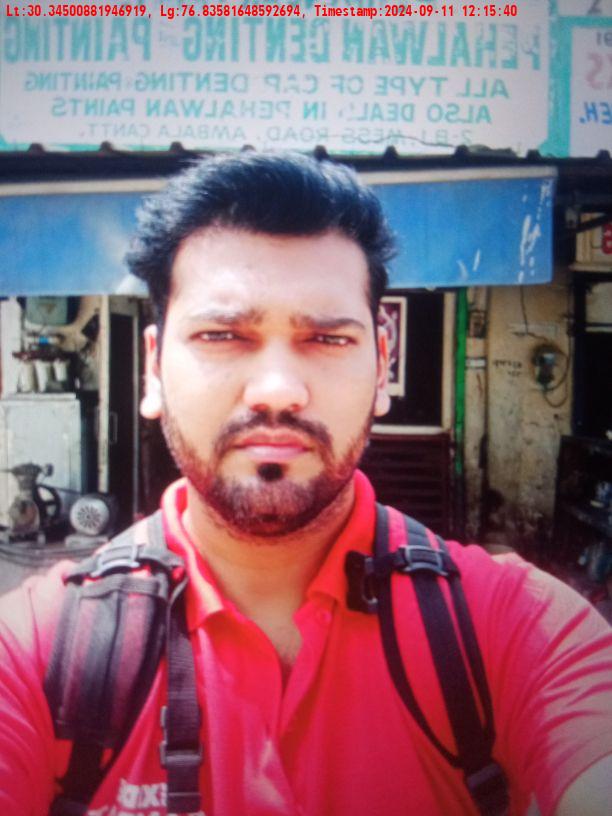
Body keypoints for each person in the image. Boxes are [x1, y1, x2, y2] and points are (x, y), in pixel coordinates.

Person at [0, 152, 611, 816]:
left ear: (383, 365)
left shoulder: (516, 628)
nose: (277, 390)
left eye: (327, 340)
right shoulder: (36, 652)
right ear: (153, 370)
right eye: (222, 335)